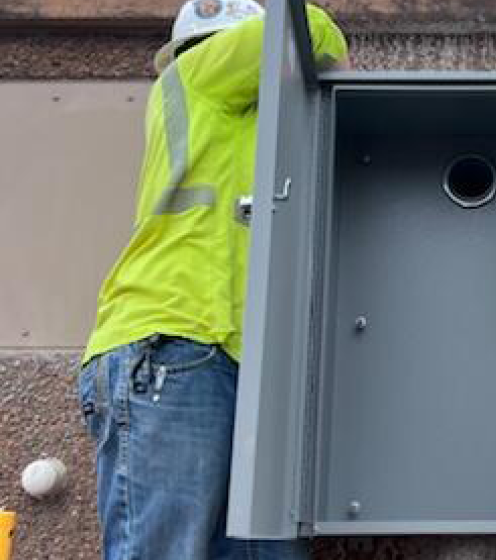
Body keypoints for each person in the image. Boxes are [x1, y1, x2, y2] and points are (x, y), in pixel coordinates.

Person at [75, 1, 348, 558]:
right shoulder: (199, 71)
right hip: (175, 342)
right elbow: (308, 32)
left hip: (220, 355)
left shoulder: (240, 121)